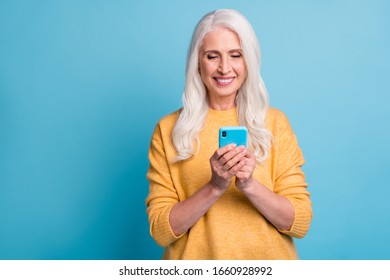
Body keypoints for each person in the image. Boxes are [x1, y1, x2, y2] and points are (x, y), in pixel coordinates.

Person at [145, 9, 312, 260]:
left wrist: (249, 185)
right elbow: (160, 231)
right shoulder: (169, 129)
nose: (225, 68)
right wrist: (215, 186)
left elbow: (300, 222)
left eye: (236, 55)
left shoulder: (274, 124)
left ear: (249, 61)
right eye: (212, 56)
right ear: (197, 62)